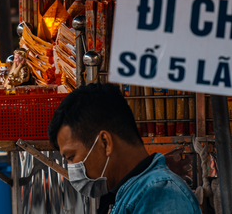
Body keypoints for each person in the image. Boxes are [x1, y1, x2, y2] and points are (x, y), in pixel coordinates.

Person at [48, 83, 200, 214]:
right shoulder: (125, 194)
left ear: (105, 142)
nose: (72, 168)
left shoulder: (161, 195)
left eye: (71, 157)